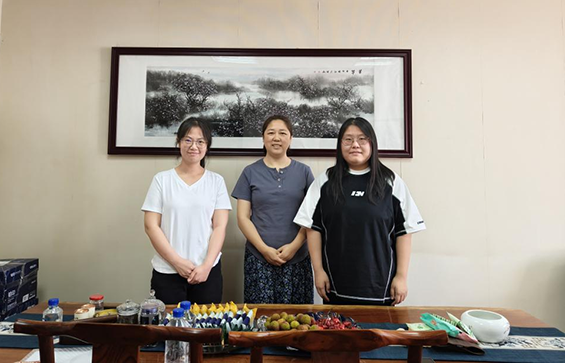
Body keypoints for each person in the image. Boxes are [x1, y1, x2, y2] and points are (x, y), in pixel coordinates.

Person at [294, 117, 425, 305]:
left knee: (379, 326)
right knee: (337, 325)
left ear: (372, 144)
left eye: (362, 139)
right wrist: (319, 271)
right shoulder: (325, 181)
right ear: (340, 145)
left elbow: (404, 232)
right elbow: (313, 228)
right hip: (335, 285)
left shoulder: (391, 181)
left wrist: (401, 276)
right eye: (348, 139)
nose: (355, 144)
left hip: (381, 287)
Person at [142, 117, 231, 304]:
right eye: (188, 140)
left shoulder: (216, 181)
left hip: (207, 272)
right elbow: (151, 226)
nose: (194, 146)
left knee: (207, 322)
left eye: (200, 142)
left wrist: (206, 265)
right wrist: (177, 262)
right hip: (167, 271)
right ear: (179, 142)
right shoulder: (162, 180)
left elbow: (220, 227)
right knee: (167, 322)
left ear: (207, 146)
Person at [232, 115, 315, 304]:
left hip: (297, 258)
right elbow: (243, 218)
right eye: (271, 133)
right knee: (261, 317)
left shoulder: (304, 172)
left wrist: (294, 247)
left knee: (297, 318)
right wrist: (264, 250)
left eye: (282, 133)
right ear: (263, 138)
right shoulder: (250, 172)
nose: (276, 138)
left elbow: (312, 215)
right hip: (258, 259)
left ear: (290, 138)